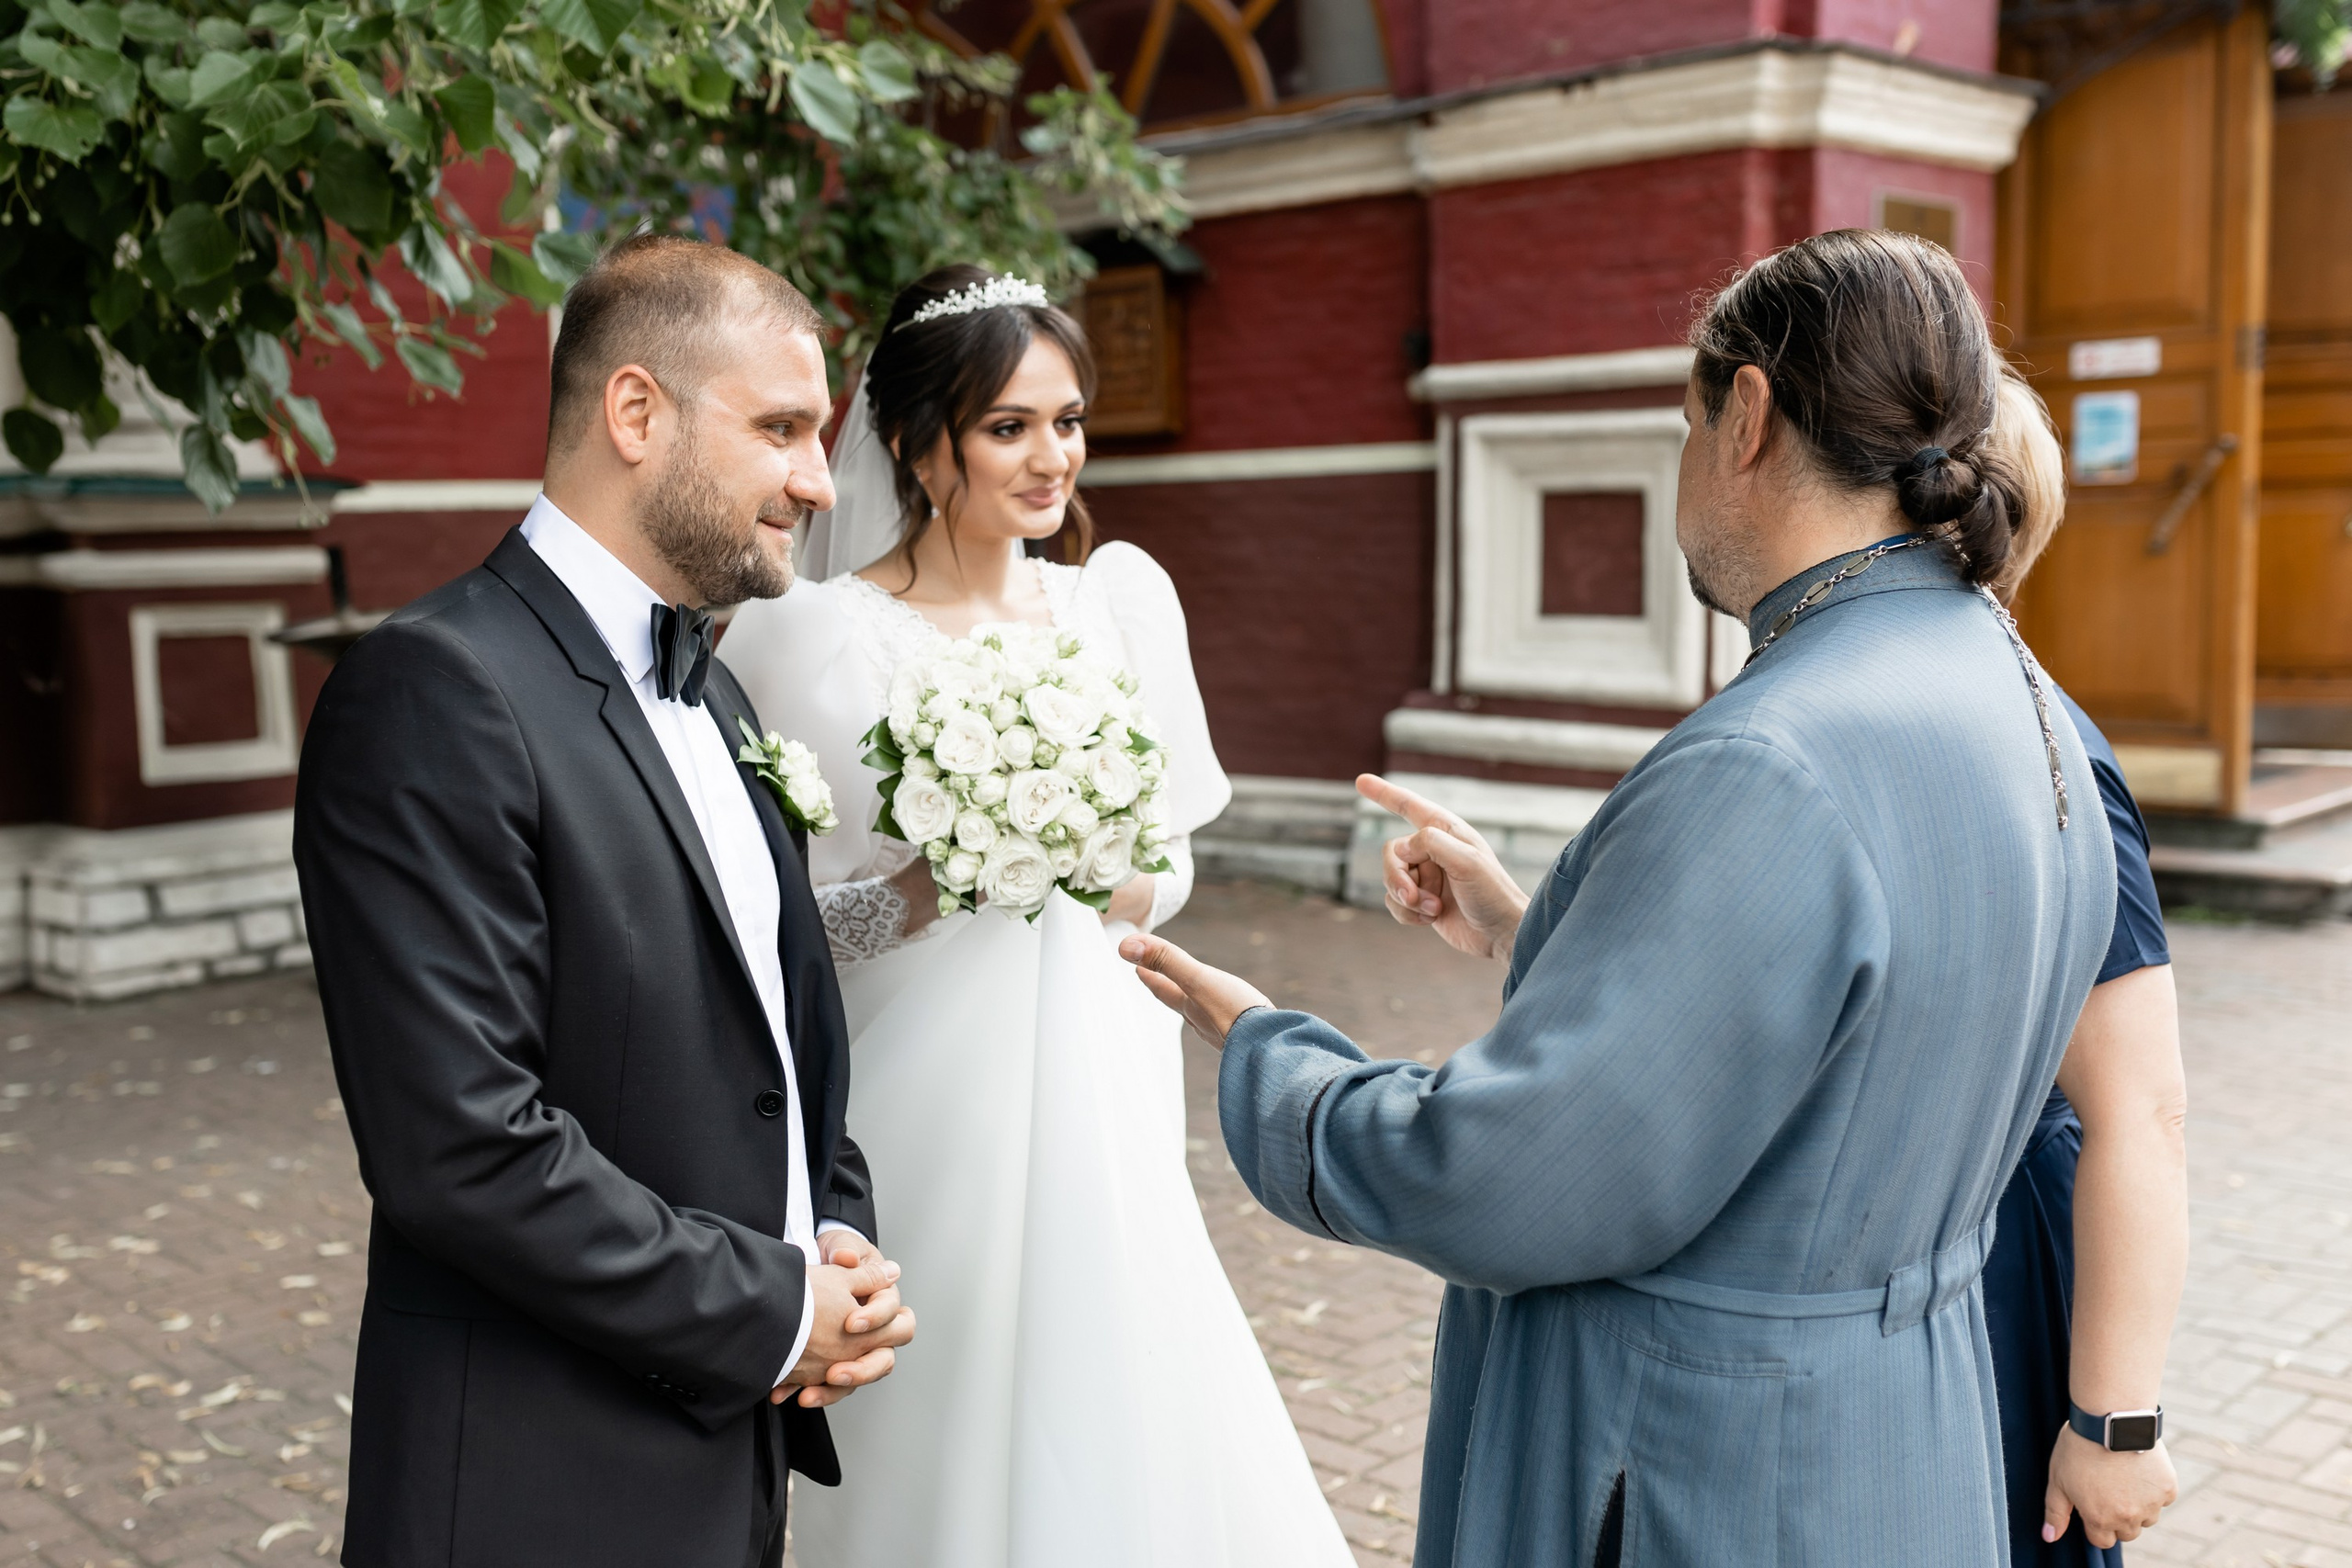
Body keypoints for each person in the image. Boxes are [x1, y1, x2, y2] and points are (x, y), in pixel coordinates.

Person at [1121, 230, 2118, 1567]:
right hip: (1904, 1434)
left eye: (1689, 422)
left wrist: (1275, 1057)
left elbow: (1513, 1177)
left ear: (1748, 415)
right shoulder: (2023, 697)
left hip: (1706, 1460)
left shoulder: (1772, 752)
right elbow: (1834, 1039)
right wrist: (1539, 929)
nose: (1686, 467)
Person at [718, 265, 1353, 1568]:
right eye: (1009, 425)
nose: (1051, 454)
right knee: (936, 1378)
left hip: (1100, 1064)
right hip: (915, 1084)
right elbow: (766, 924)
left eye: (1066, 421)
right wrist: (927, 889)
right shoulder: (806, 636)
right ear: (912, 440)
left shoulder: (1118, 599)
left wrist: (1077, 861)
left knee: (1112, 1347)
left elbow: (1169, 855)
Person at [294, 236, 915, 1568]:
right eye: (783, 429)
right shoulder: (435, 693)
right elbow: (457, 1147)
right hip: (539, 1477)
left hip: (725, 1459)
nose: (819, 479)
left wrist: (836, 1243)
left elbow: (774, 1036)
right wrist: (772, 1307)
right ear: (637, 413)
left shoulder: (724, 690)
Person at [1980, 369, 2188, 1562]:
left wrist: (2115, 1422)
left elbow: (2142, 1108)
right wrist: (1513, 925)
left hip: (2014, 1252)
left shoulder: (2051, 751)